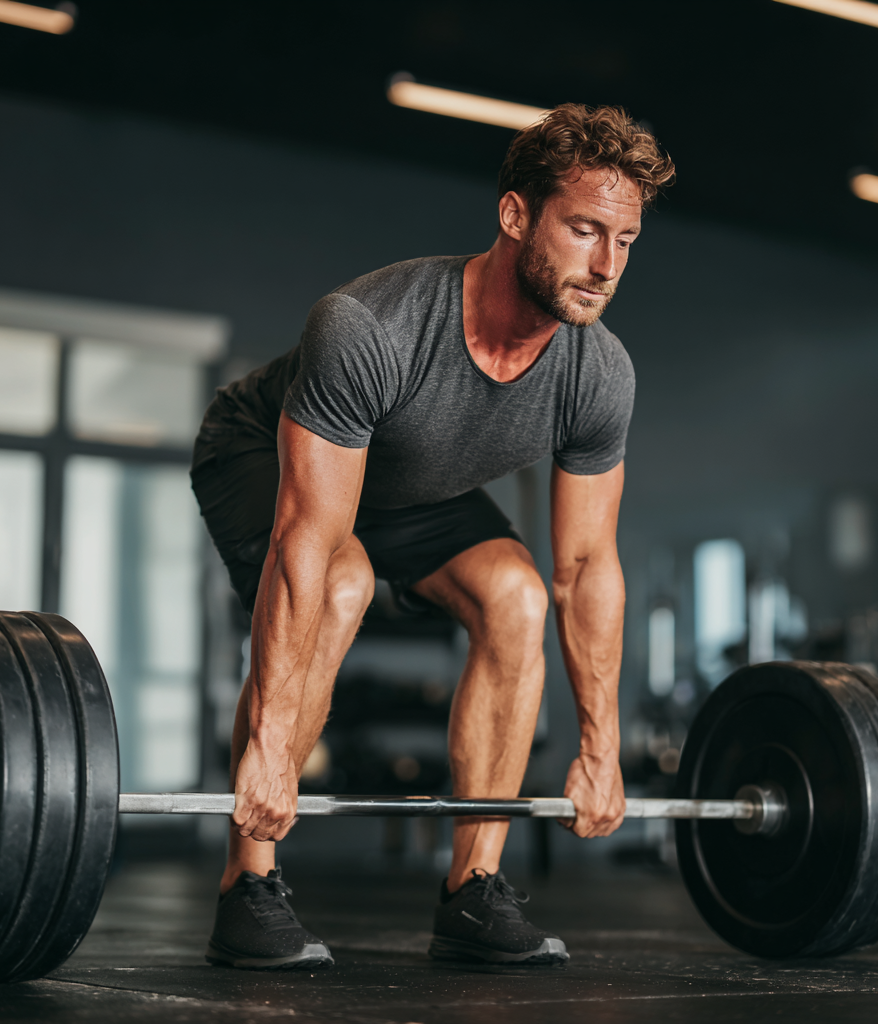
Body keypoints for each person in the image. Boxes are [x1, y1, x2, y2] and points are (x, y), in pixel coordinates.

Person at [190, 103, 675, 970]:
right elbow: (305, 545)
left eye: (627, 241)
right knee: (340, 585)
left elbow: (586, 567)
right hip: (263, 455)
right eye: (585, 230)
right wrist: (270, 742)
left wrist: (602, 750)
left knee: (517, 595)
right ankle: (248, 884)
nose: (607, 266)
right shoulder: (369, 327)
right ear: (517, 214)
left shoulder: (597, 372)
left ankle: (471, 892)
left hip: (412, 485)